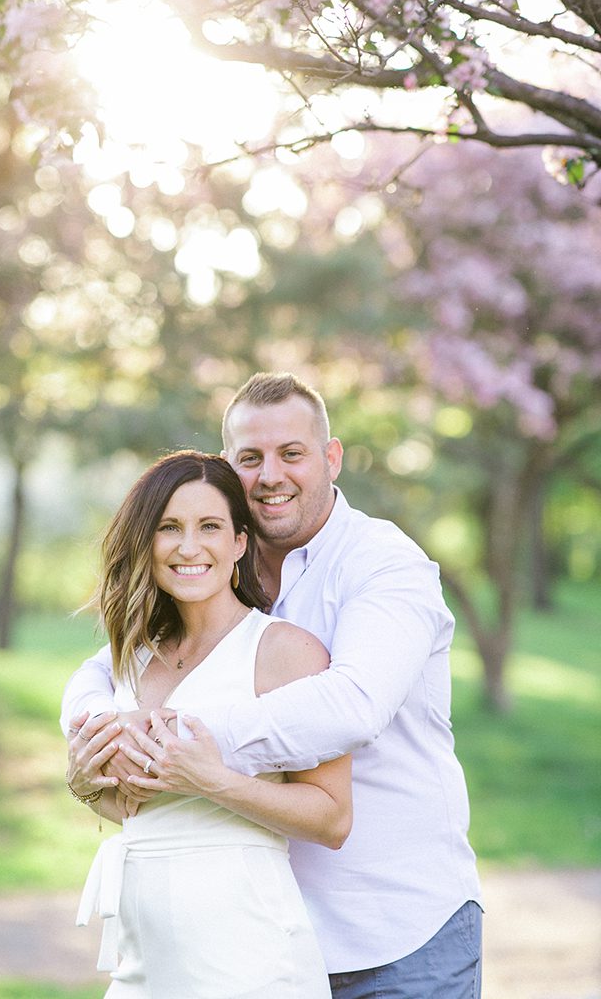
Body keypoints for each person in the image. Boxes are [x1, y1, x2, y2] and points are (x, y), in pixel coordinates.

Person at [63, 372, 483, 999]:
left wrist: (175, 743)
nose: (271, 476)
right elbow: (106, 669)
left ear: (331, 458)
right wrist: (93, 734)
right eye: (250, 459)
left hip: (395, 929)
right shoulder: (218, 560)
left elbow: (354, 704)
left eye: (293, 454)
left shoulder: (384, 564)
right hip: (256, 930)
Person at [67, 449, 351, 998]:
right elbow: (138, 806)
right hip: (140, 955)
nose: (189, 546)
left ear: (240, 543)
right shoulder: (132, 658)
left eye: (210, 527)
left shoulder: (283, 653)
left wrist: (213, 780)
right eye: (169, 527)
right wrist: (83, 785)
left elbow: (333, 819)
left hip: (246, 955)